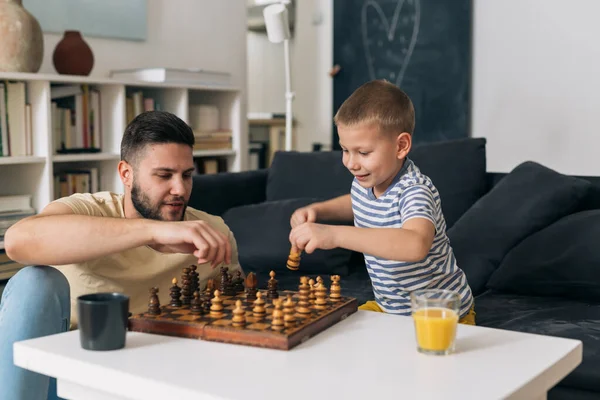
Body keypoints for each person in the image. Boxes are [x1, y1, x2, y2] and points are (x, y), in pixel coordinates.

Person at [0, 111, 243, 400]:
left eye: (187, 175)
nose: (180, 189)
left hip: (155, 381)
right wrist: (154, 232)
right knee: (36, 282)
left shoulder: (212, 233)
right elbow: (17, 242)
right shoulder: (88, 210)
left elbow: (237, 320)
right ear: (126, 174)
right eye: (164, 175)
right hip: (63, 380)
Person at [289, 80, 475, 324]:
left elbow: (415, 244)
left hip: (442, 314)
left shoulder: (414, 191)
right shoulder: (365, 181)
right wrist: (317, 210)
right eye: (345, 150)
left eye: (363, 153)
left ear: (401, 146)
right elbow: (357, 203)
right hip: (391, 310)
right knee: (339, 329)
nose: (351, 163)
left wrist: (334, 235)